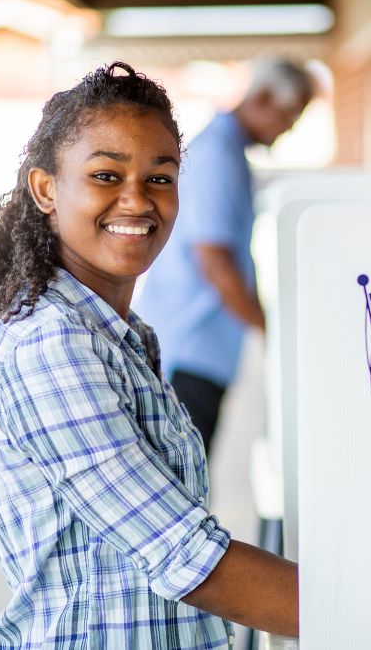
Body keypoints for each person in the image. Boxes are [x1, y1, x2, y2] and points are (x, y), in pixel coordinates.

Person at [0, 62, 297, 649]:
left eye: (159, 178)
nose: (137, 200)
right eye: (107, 175)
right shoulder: (52, 344)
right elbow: (188, 557)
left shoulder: (120, 332)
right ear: (46, 189)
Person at [135, 58, 314, 455]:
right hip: (188, 350)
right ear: (264, 98)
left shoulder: (230, 149)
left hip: (201, 349)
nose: (292, 127)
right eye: (292, 113)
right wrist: (269, 329)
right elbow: (214, 258)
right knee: (182, 483)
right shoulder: (218, 152)